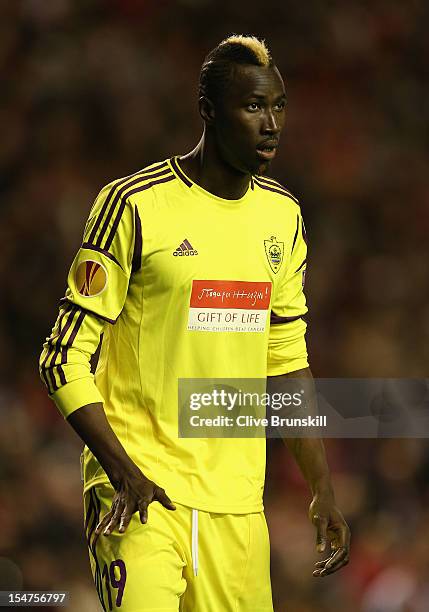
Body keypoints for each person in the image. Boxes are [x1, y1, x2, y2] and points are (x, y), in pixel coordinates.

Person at [40, 34, 350, 612]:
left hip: (236, 506)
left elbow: (286, 363)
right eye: (253, 107)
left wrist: (321, 488)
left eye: (279, 106)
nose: (271, 124)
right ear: (208, 110)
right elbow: (60, 358)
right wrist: (121, 470)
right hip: (140, 493)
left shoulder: (282, 217)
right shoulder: (132, 205)